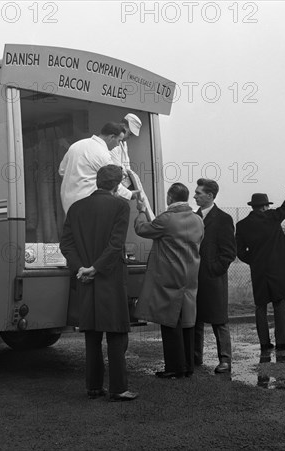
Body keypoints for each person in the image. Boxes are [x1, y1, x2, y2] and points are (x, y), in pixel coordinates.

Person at [60, 165, 138, 401]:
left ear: (98, 181)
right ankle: (118, 388)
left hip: (85, 280)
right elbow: (115, 245)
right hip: (110, 279)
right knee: (116, 335)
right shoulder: (120, 206)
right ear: (116, 185)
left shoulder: (76, 208)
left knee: (92, 336)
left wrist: (81, 268)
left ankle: (93, 386)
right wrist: (96, 268)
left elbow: (67, 244)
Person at [133, 183, 204, 378]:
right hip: (190, 277)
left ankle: (174, 367)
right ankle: (188, 365)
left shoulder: (166, 219)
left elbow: (142, 229)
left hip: (170, 276)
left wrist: (140, 211)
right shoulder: (198, 220)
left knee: (170, 322)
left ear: (170, 198)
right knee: (188, 323)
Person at [235, 174, 285, 351]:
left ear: (253, 207)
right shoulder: (272, 218)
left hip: (258, 270)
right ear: (265, 206)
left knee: (260, 306)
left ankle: (264, 343)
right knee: (279, 305)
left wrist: (254, 261)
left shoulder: (242, 225)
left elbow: (239, 252)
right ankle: (281, 342)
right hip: (278, 269)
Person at [193, 178, 236, 374]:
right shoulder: (192, 218)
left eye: (198, 193)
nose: (194, 196)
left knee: (219, 320)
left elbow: (228, 252)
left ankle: (225, 360)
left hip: (213, 278)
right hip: (193, 277)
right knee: (194, 319)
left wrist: (214, 269)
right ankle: (195, 358)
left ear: (210, 196)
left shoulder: (223, 219)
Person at [58, 122, 138, 214]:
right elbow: (112, 182)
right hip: (87, 206)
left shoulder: (76, 145)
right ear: (111, 137)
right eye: (119, 141)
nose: (118, 145)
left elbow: (62, 171)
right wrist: (130, 194)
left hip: (67, 204)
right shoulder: (102, 154)